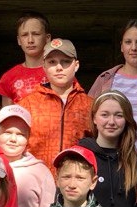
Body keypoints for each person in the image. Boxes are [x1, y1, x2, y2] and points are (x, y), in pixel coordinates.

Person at [78, 90, 137, 207]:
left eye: (119, 115)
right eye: (104, 115)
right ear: (94, 118)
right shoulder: (80, 156)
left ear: (126, 120)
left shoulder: (133, 160)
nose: (111, 121)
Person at [17, 38, 92, 171]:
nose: (59, 67)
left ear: (76, 65)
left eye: (66, 62)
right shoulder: (26, 105)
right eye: (52, 62)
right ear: (44, 66)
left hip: (76, 183)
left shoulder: (90, 105)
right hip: (36, 182)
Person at [0, 105, 56, 207]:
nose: (13, 139)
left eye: (20, 134)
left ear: (28, 137)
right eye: (7, 132)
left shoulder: (40, 171)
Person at [0, 12, 53, 105]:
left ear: (47, 38)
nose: (30, 40)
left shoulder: (60, 72)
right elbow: (7, 115)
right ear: (19, 40)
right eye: (24, 35)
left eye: (36, 34)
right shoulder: (9, 77)